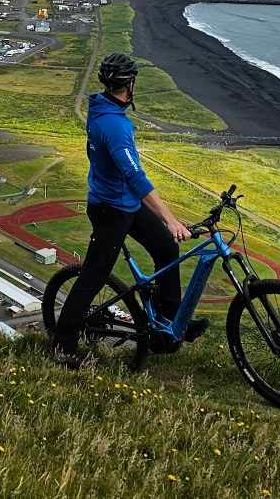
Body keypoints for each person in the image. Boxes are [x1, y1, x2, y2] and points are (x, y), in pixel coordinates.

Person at [50, 52, 209, 364]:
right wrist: (171, 219)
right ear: (129, 85)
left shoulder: (102, 110)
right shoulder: (114, 126)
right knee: (93, 278)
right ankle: (61, 347)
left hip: (124, 204)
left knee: (165, 248)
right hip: (111, 211)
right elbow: (134, 176)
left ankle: (170, 320)